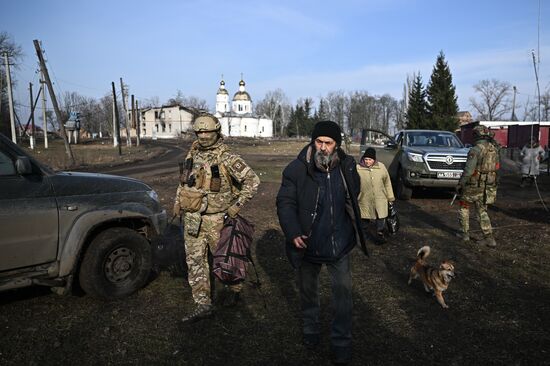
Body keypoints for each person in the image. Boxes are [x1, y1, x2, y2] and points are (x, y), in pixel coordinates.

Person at [276, 120, 368, 365]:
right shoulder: (296, 169)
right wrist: (293, 231)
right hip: (307, 245)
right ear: (312, 141)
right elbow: (285, 202)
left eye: (328, 143)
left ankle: (341, 342)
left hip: (341, 244)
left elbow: (354, 195)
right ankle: (311, 330)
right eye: (319, 142)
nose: (323, 147)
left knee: (343, 297)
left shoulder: (347, 166)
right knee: (309, 292)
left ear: (336, 144)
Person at [174, 113, 260, 323]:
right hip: (193, 220)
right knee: (195, 262)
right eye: (199, 132)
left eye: (207, 131)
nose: (203, 136)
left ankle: (234, 292)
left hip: (217, 221)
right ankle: (203, 304)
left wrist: (236, 206)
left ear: (216, 131)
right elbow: (184, 182)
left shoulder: (227, 158)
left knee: (226, 261)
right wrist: (177, 202)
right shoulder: (191, 155)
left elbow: (253, 181)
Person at [455, 125, 500, 248]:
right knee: (482, 211)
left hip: (473, 186)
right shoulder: (494, 149)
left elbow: (469, 171)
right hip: (488, 186)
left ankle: (464, 234)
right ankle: (489, 238)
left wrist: (460, 184)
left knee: (464, 207)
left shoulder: (475, 150)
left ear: (476, 135)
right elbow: (497, 167)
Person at [356, 147, 395, 244]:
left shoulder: (381, 167)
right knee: (364, 218)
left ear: (374, 159)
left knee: (381, 217)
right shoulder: (358, 168)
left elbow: (387, 183)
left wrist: (390, 197)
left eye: (370, 159)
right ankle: (363, 237)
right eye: (366, 159)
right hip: (364, 198)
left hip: (380, 198)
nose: (367, 161)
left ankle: (379, 235)